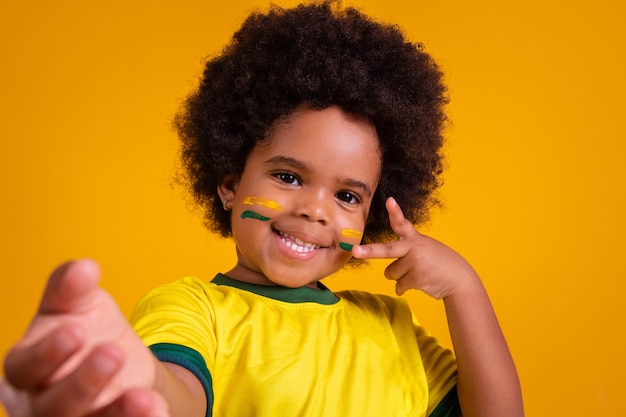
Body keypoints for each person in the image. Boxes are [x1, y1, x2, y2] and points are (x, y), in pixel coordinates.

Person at [0, 2, 524, 417]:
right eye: (289, 177)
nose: (317, 211)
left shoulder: (391, 326)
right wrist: (127, 387)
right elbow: (172, 392)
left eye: (347, 196)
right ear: (230, 185)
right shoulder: (194, 309)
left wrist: (464, 290)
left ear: (374, 214)